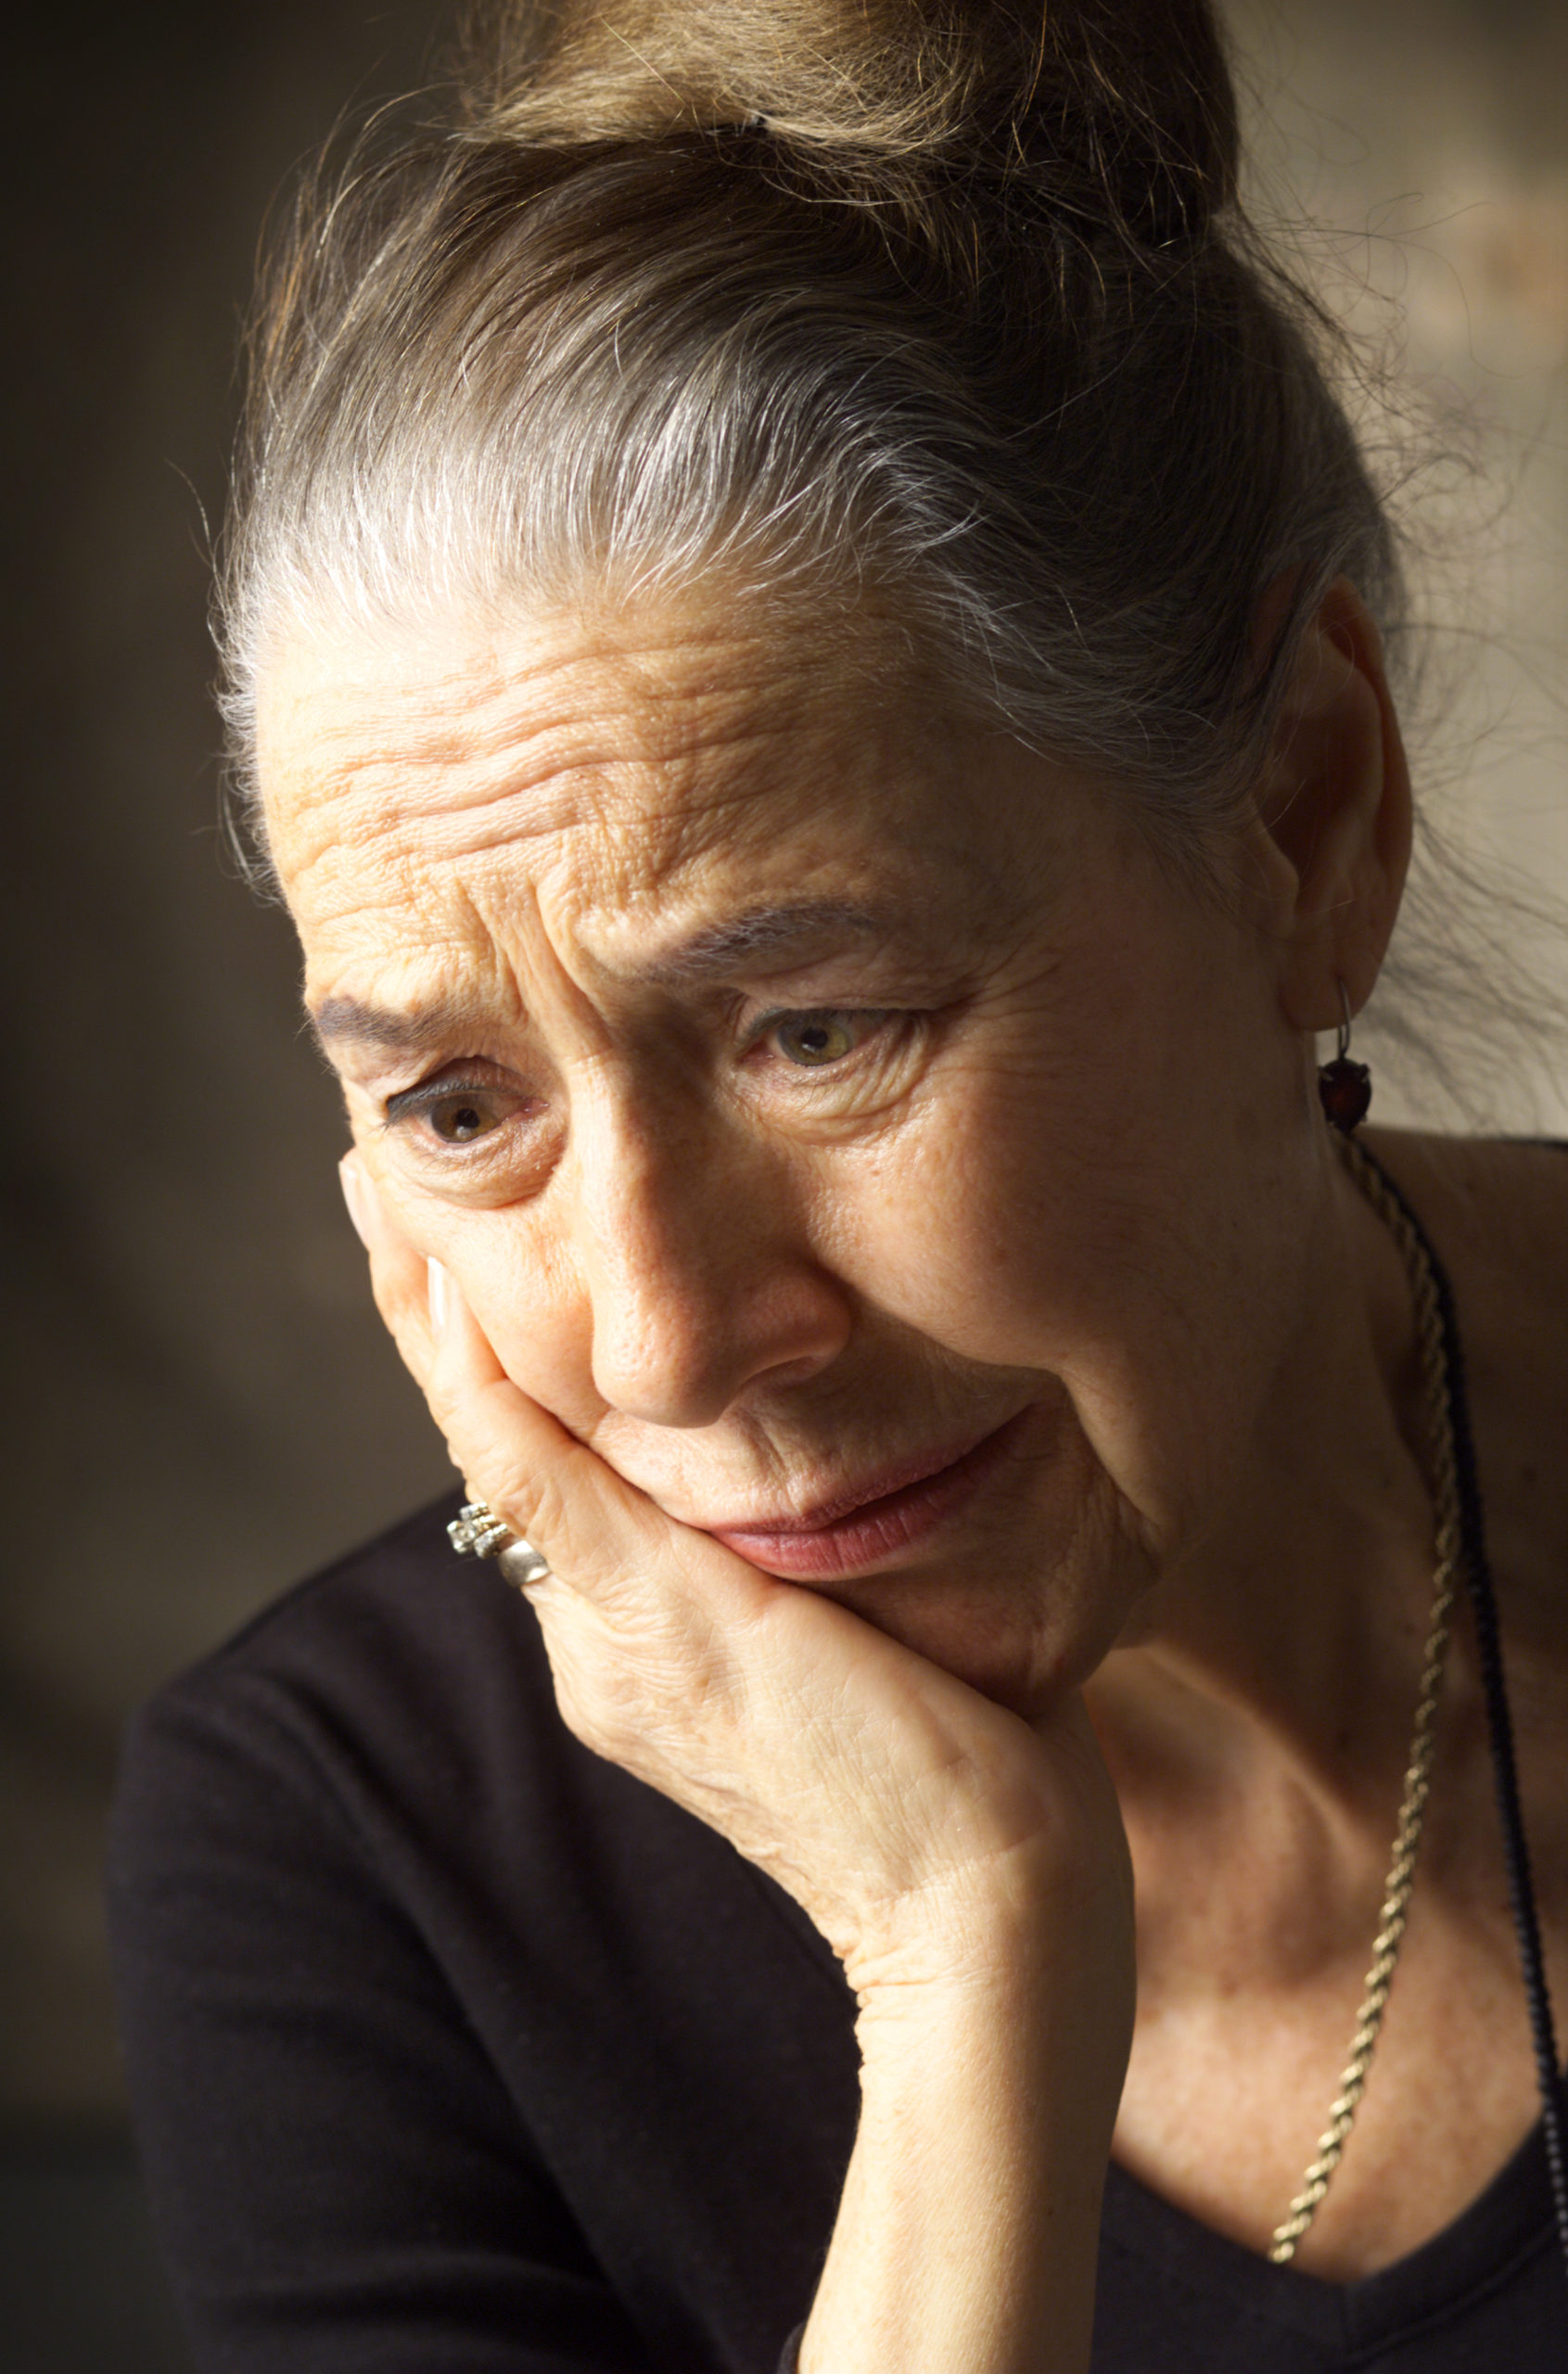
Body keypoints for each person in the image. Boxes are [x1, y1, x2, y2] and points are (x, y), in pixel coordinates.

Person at [107, 1, 1568, 2367]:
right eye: (461, 1106)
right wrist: (962, 1944)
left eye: (816, 1029)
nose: (670, 1336)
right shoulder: (342, 1847)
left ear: (1306, 818)